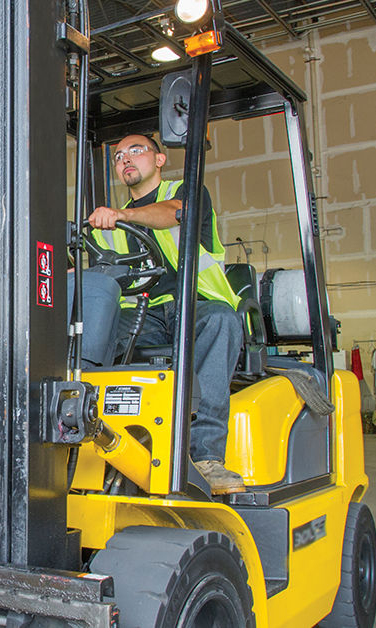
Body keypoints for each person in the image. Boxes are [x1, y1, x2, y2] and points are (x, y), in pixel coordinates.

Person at [81, 133, 245, 494]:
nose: (125, 158)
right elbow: (102, 275)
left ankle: (205, 457)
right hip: (145, 315)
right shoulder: (108, 225)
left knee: (221, 322)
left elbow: (174, 214)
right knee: (88, 334)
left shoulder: (185, 191)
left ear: (159, 160)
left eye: (136, 151)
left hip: (197, 306)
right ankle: (85, 437)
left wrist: (121, 215)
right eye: (118, 155)